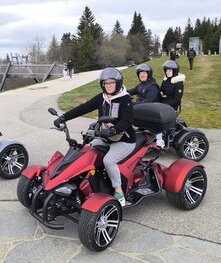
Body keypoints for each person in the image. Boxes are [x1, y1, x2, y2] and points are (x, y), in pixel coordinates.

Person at [53, 68, 136, 206]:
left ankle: (119, 192)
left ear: (118, 83)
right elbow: (83, 108)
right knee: (86, 150)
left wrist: (114, 130)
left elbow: (127, 121)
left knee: (109, 160)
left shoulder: (125, 99)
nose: (108, 85)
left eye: (111, 82)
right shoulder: (102, 98)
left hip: (124, 140)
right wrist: (64, 118)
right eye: (105, 83)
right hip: (106, 138)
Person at [128, 64, 164, 148]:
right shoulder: (141, 85)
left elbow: (148, 101)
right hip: (143, 108)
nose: (142, 75)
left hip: (152, 110)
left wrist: (133, 104)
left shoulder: (152, 86)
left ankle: (160, 140)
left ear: (148, 74)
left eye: (144, 73)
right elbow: (132, 91)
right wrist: (120, 92)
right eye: (140, 74)